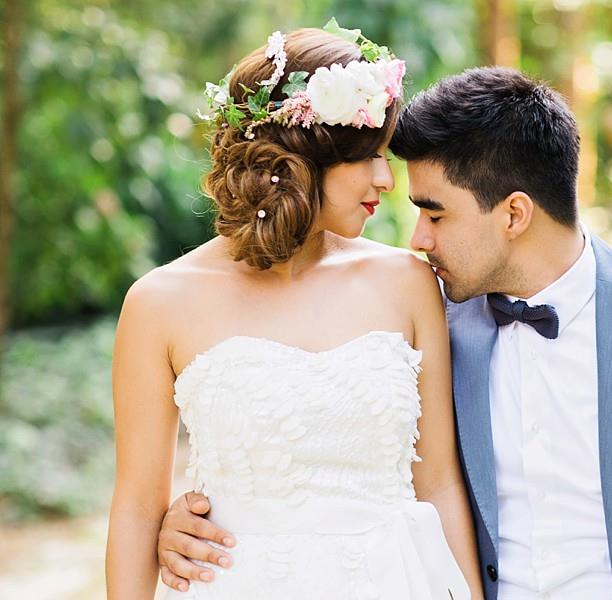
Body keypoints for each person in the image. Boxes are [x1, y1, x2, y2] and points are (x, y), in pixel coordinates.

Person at [157, 66, 612, 599]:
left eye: (435, 215)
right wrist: (189, 525)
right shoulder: (424, 337)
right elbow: (334, 459)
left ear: (514, 214)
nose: (416, 240)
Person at [105, 26, 481, 600]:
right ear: (302, 159)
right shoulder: (159, 303)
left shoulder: (408, 282)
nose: (386, 179)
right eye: (368, 157)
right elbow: (135, 510)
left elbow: (440, 487)